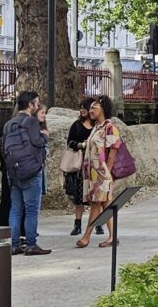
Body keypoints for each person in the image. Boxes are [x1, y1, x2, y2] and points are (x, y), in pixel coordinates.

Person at [3, 91, 51, 256]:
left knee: (15, 209)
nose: (37, 106)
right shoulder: (30, 121)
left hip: (14, 172)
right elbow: (37, 142)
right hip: (31, 170)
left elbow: (4, 148)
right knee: (31, 210)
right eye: (36, 103)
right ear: (30, 105)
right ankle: (31, 244)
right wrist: (45, 136)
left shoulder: (9, 124)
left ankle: (14, 244)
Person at [76, 95, 123, 248]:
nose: (90, 110)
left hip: (101, 174)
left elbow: (113, 152)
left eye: (94, 107)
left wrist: (107, 173)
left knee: (97, 204)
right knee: (105, 205)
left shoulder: (110, 128)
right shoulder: (96, 127)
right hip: (93, 174)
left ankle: (86, 236)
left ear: (103, 108)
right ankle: (112, 236)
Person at [65, 99, 101, 236]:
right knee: (78, 197)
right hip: (79, 164)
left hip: (94, 163)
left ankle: (98, 223)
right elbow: (70, 142)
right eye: (81, 108)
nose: (82, 111)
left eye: (84, 108)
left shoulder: (97, 125)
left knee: (96, 195)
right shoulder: (76, 125)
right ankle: (77, 224)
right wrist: (82, 145)